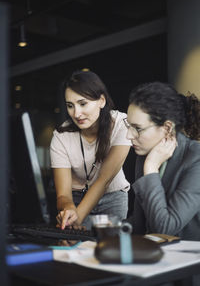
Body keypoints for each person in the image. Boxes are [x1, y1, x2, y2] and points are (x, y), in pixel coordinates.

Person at [50, 69, 131, 230]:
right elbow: (63, 195)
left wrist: (77, 218)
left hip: (113, 197)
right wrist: (69, 210)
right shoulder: (60, 136)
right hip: (76, 198)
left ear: (101, 101)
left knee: (112, 249)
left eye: (83, 103)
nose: (77, 113)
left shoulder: (122, 123)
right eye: (70, 106)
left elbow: (104, 179)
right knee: (78, 251)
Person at [124, 81, 200, 240]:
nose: (129, 136)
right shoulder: (144, 155)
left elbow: (164, 229)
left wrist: (151, 168)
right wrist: (98, 231)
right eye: (128, 126)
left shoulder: (196, 158)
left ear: (167, 128)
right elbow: (140, 225)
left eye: (137, 128)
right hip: (156, 256)